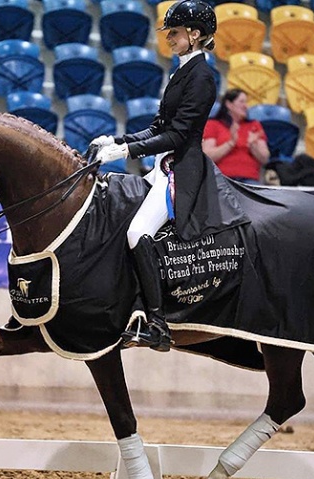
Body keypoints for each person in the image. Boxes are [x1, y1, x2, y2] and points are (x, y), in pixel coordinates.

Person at [89, 0, 247, 353]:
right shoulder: (181, 71)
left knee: (137, 231)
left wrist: (126, 153)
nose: (169, 39)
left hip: (181, 171)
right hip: (160, 167)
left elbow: (179, 136)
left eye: (174, 33)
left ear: (194, 35)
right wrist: (118, 140)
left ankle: (158, 323)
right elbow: (160, 126)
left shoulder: (203, 77)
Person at [202, 88, 270, 184]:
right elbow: (208, 156)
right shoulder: (213, 124)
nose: (246, 106)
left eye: (246, 102)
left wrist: (253, 145)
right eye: (241, 102)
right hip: (222, 178)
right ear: (229, 104)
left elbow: (265, 158)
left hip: (249, 179)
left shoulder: (254, 125)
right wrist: (230, 143)